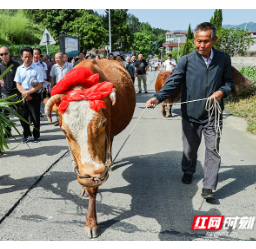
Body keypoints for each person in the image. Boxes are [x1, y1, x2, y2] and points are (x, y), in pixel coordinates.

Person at [146, 22, 235, 200]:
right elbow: (173, 82)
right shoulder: (186, 60)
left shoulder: (224, 59)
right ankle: (188, 170)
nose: (201, 45)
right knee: (189, 151)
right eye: (198, 41)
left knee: (213, 151)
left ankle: (208, 187)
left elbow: (229, 82)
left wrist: (221, 92)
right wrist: (158, 97)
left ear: (214, 40)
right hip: (191, 115)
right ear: (194, 40)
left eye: (206, 41)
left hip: (213, 114)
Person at [14, 46, 44, 143]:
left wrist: (29, 92)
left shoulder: (37, 68)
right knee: (23, 117)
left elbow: (40, 84)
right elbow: (18, 83)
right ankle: (26, 134)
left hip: (34, 95)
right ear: (21, 57)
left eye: (29, 56)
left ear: (32, 56)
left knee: (35, 117)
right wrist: (24, 93)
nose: (27, 59)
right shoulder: (19, 69)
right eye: (25, 56)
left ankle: (36, 135)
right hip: (22, 95)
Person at [0, 46, 21, 137]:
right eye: (1, 54)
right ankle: (7, 132)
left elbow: (21, 78)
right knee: (4, 115)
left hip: (16, 93)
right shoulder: (0, 66)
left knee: (21, 114)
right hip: (5, 94)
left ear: (9, 54)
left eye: (5, 53)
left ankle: (26, 132)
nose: (3, 56)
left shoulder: (15, 65)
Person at [50, 52, 73, 126]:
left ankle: (68, 118)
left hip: (68, 86)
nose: (56, 60)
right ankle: (58, 119)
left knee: (68, 102)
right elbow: (52, 77)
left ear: (62, 58)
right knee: (58, 102)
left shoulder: (69, 65)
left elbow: (73, 75)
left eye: (58, 58)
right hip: (58, 86)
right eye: (55, 58)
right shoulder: (54, 67)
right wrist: (53, 85)